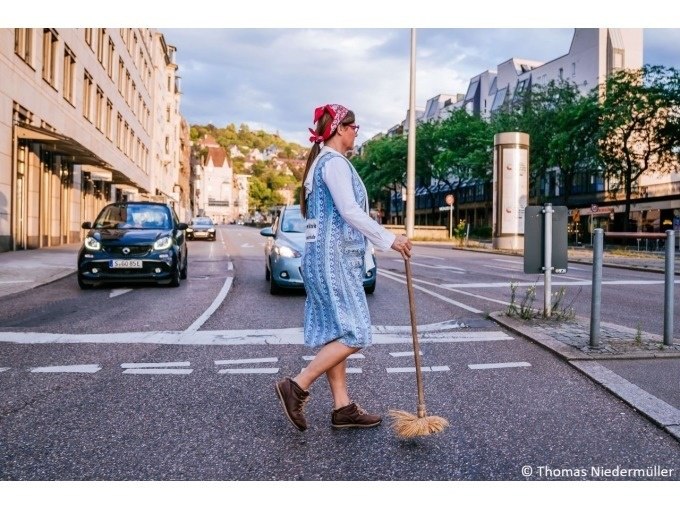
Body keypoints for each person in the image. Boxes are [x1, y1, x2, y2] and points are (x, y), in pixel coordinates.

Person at [275, 104, 412, 432]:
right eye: (353, 126)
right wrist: (390, 239)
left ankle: (342, 408)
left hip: (324, 258)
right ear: (339, 129)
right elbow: (349, 210)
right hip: (333, 260)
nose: (357, 131)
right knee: (357, 332)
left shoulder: (322, 162)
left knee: (338, 332)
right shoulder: (333, 163)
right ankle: (297, 385)